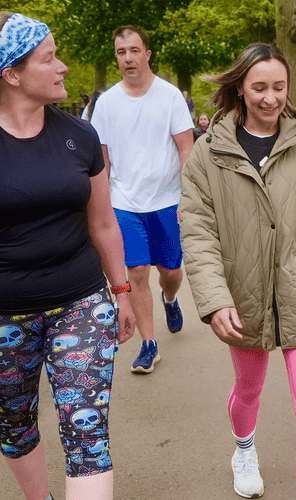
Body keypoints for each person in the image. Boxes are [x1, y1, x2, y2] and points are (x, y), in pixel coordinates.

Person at [0, 13, 135, 499]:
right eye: (49, 57)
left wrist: (122, 292)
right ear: (11, 73)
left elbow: (103, 224)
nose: (62, 67)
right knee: (16, 425)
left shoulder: (79, 136)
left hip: (81, 304)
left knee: (88, 435)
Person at [181, 42, 296, 500]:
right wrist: (214, 297)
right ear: (241, 89)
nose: (270, 97)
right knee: (248, 390)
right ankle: (244, 448)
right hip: (241, 301)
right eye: (259, 87)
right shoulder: (208, 154)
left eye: (279, 87)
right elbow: (198, 233)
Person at [90, 25, 196, 374]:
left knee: (171, 270)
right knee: (136, 271)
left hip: (166, 201)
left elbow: (186, 148)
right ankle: (149, 345)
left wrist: (187, 196)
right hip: (124, 202)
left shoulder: (169, 97)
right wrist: (101, 204)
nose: (128, 58)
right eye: (121, 52)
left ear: (147, 54)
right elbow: (101, 161)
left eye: (134, 50)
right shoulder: (105, 104)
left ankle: (170, 298)